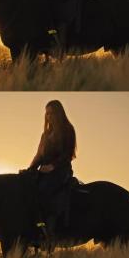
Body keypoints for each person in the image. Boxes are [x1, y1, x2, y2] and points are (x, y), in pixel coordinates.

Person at [27, 100, 77, 245]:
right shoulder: (45, 134)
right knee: (27, 190)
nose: (48, 116)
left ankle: (50, 232)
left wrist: (52, 166)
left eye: (51, 113)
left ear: (59, 113)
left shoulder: (68, 130)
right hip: (43, 170)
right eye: (47, 113)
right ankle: (35, 229)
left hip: (60, 171)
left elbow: (68, 154)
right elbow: (39, 155)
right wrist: (30, 170)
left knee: (44, 191)